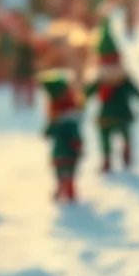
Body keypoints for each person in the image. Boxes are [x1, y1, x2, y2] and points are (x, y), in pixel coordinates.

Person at [84, 18, 139, 172]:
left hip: (106, 114)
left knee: (105, 135)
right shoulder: (123, 76)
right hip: (123, 113)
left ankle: (108, 159)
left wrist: (78, 99)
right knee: (124, 134)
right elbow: (136, 91)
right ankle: (125, 154)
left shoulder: (101, 77)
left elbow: (87, 93)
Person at [39, 68, 85, 203]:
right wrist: (77, 143)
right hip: (68, 151)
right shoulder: (67, 117)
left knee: (62, 171)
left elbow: (49, 132)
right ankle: (66, 188)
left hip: (61, 151)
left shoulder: (61, 118)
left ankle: (64, 188)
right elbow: (74, 134)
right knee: (66, 171)